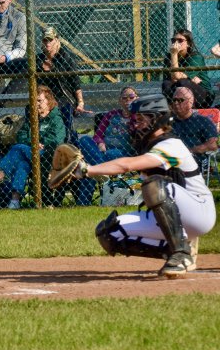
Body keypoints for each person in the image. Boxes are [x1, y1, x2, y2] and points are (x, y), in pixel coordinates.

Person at [78, 94, 215, 278]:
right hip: (172, 217)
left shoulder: (171, 144)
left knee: (154, 184)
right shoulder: (149, 146)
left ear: (158, 120)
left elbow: (126, 165)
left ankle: (181, 253)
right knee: (108, 233)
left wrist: (87, 169)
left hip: (199, 211)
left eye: (141, 120)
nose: (136, 125)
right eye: (135, 120)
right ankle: (181, 250)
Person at [0, 85, 65, 209]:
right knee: (22, 164)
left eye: (39, 100)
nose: (36, 104)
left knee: (17, 148)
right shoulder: (32, 118)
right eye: (33, 101)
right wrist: (33, 143)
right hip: (30, 152)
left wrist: (40, 143)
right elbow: (21, 135)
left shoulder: (56, 119)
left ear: (48, 101)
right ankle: (14, 201)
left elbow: (57, 139)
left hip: (48, 155)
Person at [36, 27, 87, 144]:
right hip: (44, 99)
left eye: (50, 40)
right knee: (30, 109)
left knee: (64, 111)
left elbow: (75, 82)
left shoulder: (66, 57)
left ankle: (67, 144)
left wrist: (80, 102)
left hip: (63, 99)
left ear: (56, 40)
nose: (47, 43)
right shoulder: (38, 59)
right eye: (45, 40)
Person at [79, 86, 137, 164]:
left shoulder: (138, 116)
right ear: (120, 100)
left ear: (137, 98)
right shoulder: (111, 114)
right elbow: (98, 134)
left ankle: (98, 166)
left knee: (112, 153)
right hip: (103, 150)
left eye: (131, 97)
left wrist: (132, 111)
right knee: (84, 140)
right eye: (124, 98)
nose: (128, 100)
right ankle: (102, 164)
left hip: (123, 151)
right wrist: (100, 143)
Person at [162, 29, 214, 109]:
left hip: (204, 96)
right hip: (181, 89)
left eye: (180, 40)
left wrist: (174, 54)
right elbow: (171, 78)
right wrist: (189, 78)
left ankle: (190, 109)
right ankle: (173, 109)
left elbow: (176, 76)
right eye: (173, 40)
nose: (176, 43)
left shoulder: (196, 57)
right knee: (166, 83)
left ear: (188, 44)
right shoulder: (169, 57)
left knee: (183, 82)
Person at [170, 87, 218, 167]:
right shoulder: (168, 121)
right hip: (171, 160)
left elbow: (212, 145)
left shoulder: (203, 121)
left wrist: (187, 151)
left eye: (180, 100)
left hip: (195, 161)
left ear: (191, 102)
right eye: (174, 100)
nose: (176, 103)